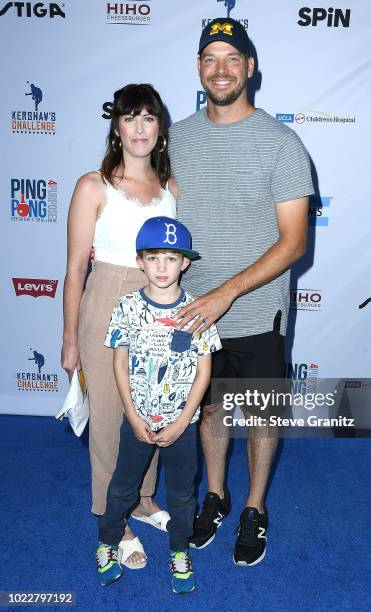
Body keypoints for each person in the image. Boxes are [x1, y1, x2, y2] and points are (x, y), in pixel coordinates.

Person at [169, 18, 314, 566]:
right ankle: (217, 495)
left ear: (250, 68)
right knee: (209, 412)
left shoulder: (282, 143)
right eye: (211, 58)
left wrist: (226, 293)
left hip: (254, 309)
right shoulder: (176, 139)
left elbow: (294, 242)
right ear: (200, 69)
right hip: (192, 312)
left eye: (233, 58)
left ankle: (254, 507)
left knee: (259, 415)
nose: (221, 68)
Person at [62, 84, 175, 568]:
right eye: (131, 118)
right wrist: (69, 339)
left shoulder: (172, 189)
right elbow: (74, 270)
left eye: (148, 118)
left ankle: (143, 498)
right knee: (109, 417)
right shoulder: (93, 185)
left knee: (153, 406)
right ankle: (115, 516)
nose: (139, 128)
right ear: (117, 126)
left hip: (160, 306)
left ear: (160, 129)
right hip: (107, 301)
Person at [96, 216, 221, 592]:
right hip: (137, 422)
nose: (162, 267)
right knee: (122, 488)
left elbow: (203, 371)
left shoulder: (198, 311)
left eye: (171, 258)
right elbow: (119, 362)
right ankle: (107, 541)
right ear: (140, 262)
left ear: (185, 262)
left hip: (181, 426)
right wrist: (133, 417)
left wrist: (184, 422)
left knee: (183, 494)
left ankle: (179, 550)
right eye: (153, 258)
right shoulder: (127, 307)